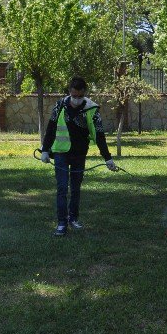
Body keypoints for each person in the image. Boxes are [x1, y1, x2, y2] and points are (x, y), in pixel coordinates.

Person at [40, 77, 117, 236]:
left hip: (79, 155)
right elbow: (51, 128)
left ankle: (73, 218)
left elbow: (99, 135)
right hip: (61, 153)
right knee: (62, 188)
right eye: (74, 95)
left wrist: (107, 158)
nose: (76, 99)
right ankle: (61, 223)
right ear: (69, 92)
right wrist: (45, 150)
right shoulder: (60, 105)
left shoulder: (92, 109)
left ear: (84, 93)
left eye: (79, 96)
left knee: (75, 189)